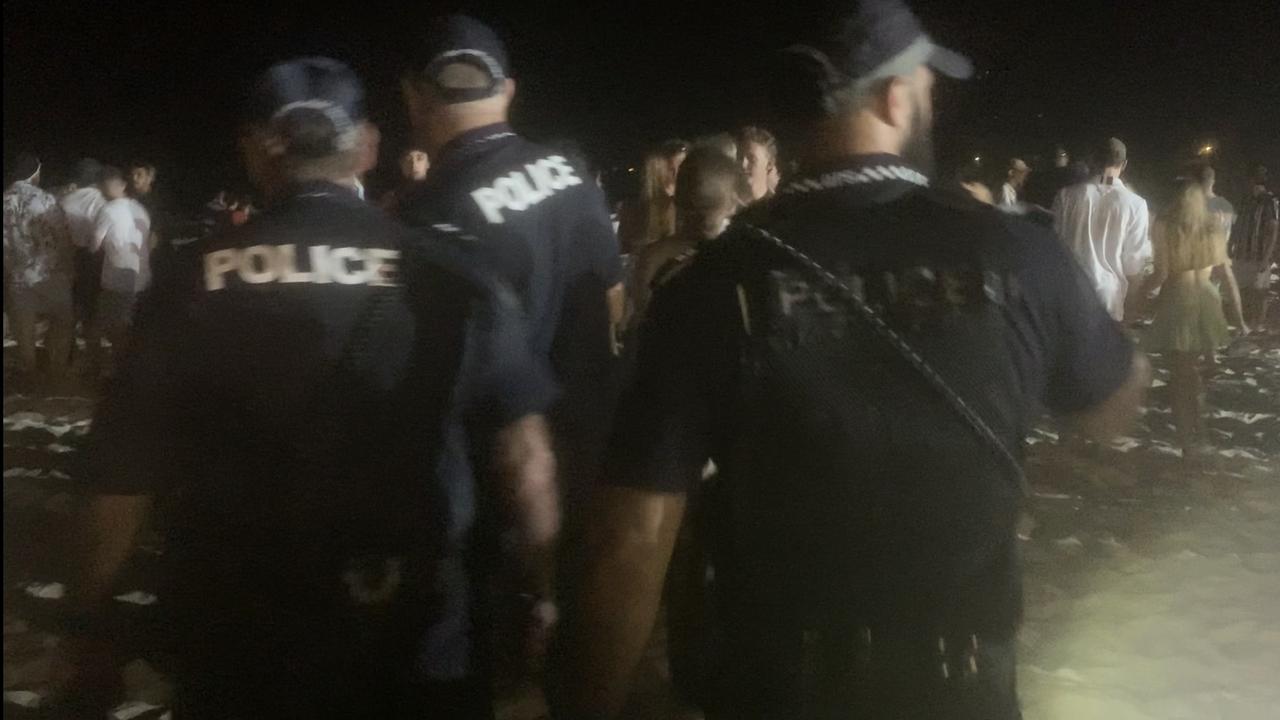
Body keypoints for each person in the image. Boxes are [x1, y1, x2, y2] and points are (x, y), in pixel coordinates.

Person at [559, 2, 1150, 718]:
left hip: (776, 683)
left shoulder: (717, 283)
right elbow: (1108, 408)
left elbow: (628, 539)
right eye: (928, 87)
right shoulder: (1015, 253)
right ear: (895, 96)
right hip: (956, 682)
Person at [59, 57, 558, 719]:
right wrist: (540, 592)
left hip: (239, 636)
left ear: (255, 151)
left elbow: (119, 478)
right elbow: (524, 459)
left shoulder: (190, 281)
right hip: (413, 628)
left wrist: (90, 626)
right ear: (368, 147)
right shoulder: (449, 270)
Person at [397, 11, 621, 696]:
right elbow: (611, 305)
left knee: (492, 671)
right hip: (585, 462)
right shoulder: (571, 176)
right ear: (508, 90)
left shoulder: (427, 218)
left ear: (414, 97)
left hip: (497, 492)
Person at [1139, 181, 1246, 463]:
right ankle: (1202, 436)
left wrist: (1138, 294)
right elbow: (1223, 271)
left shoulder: (1167, 226)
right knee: (1193, 375)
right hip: (1206, 300)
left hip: (1178, 300)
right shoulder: (1212, 227)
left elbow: (1161, 273)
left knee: (1179, 378)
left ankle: (1189, 444)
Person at [629, 146, 750, 324]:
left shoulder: (652, 260)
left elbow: (641, 329)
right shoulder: (746, 259)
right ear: (734, 202)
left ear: (678, 201)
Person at [1052, 137, 1152, 322]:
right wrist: (1131, 309)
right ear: (1124, 164)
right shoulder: (1136, 204)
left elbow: (1054, 247)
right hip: (1108, 300)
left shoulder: (1065, 196)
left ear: (1093, 160)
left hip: (1067, 295)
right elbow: (1134, 265)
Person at [3, 152, 74, 385]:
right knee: (62, 320)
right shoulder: (45, 199)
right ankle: (57, 371)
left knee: (24, 327)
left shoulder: (4, 201)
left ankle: (31, 372)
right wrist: (69, 266)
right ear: (34, 173)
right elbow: (62, 236)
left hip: (17, 276)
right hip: (49, 273)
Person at [83, 166, 151, 378]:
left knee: (98, 329)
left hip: (116, 281)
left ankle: (103, 370)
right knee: (126, 327)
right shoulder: (140, 209)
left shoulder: (108, 210)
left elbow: (94, 245)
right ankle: (125, 368)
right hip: (141, 278)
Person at [58, 158, 108, 330]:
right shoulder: (102, 199)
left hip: (70, 256)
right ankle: (91, 343)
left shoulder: (64, 199)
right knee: (92, 304)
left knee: (72, 304)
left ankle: (67, 349)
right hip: (95, 257)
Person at [617, 139, 689, 254]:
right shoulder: (635, 207)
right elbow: (626, 248)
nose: (677, 174)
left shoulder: (691, 203)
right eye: (670, 169)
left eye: (682, 167)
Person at [1228, 164, 1278, 330]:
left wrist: (1266, 258)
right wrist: (1231, 244)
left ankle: (1257, 327)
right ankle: (1244, 326)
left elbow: (1272, 231)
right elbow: (1238, 225)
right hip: (1242, 254)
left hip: (1258, 256)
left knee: (1259, 294)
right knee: (1242, 292)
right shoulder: (1245, 200)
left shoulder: (1269, 202)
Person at [1023, 145, 1085, 209]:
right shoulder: (1042, 178)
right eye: (1059, 155)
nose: (1064, 158)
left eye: (1063, 155)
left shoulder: (1074, 175)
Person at [380, 147, 431, 213]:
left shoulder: (437, 195)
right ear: (401, 165)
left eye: (420, 159)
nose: (414, 165)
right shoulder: (391, 199)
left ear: (428, 164)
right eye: (408, 159)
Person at [737, 125, 780, 202]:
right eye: (739, 158)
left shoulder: (779, 205)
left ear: (769, 164)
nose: (743, 165)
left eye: (751, 159)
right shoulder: (722, 209)